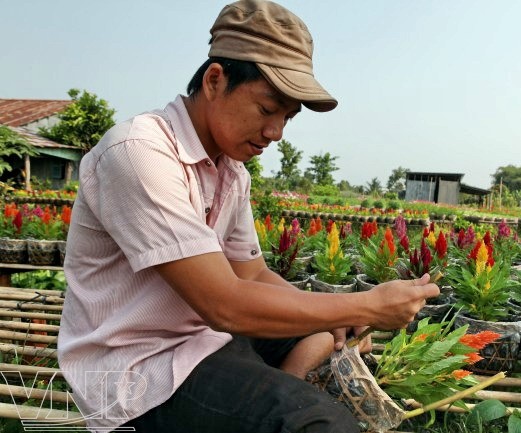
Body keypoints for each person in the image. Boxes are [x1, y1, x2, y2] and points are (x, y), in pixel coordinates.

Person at [57, 1, 440, 432]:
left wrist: (341, 315)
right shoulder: (140, 153)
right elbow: (224, 304)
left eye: (287, 117)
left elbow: (253, 275)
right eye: (266, 109)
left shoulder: (230, 172)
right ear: (215, 80)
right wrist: (364, 303)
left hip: (203, 339)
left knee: (319, 336)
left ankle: (274, 403)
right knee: (319, 424)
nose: (276, 132)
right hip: (140, 367)